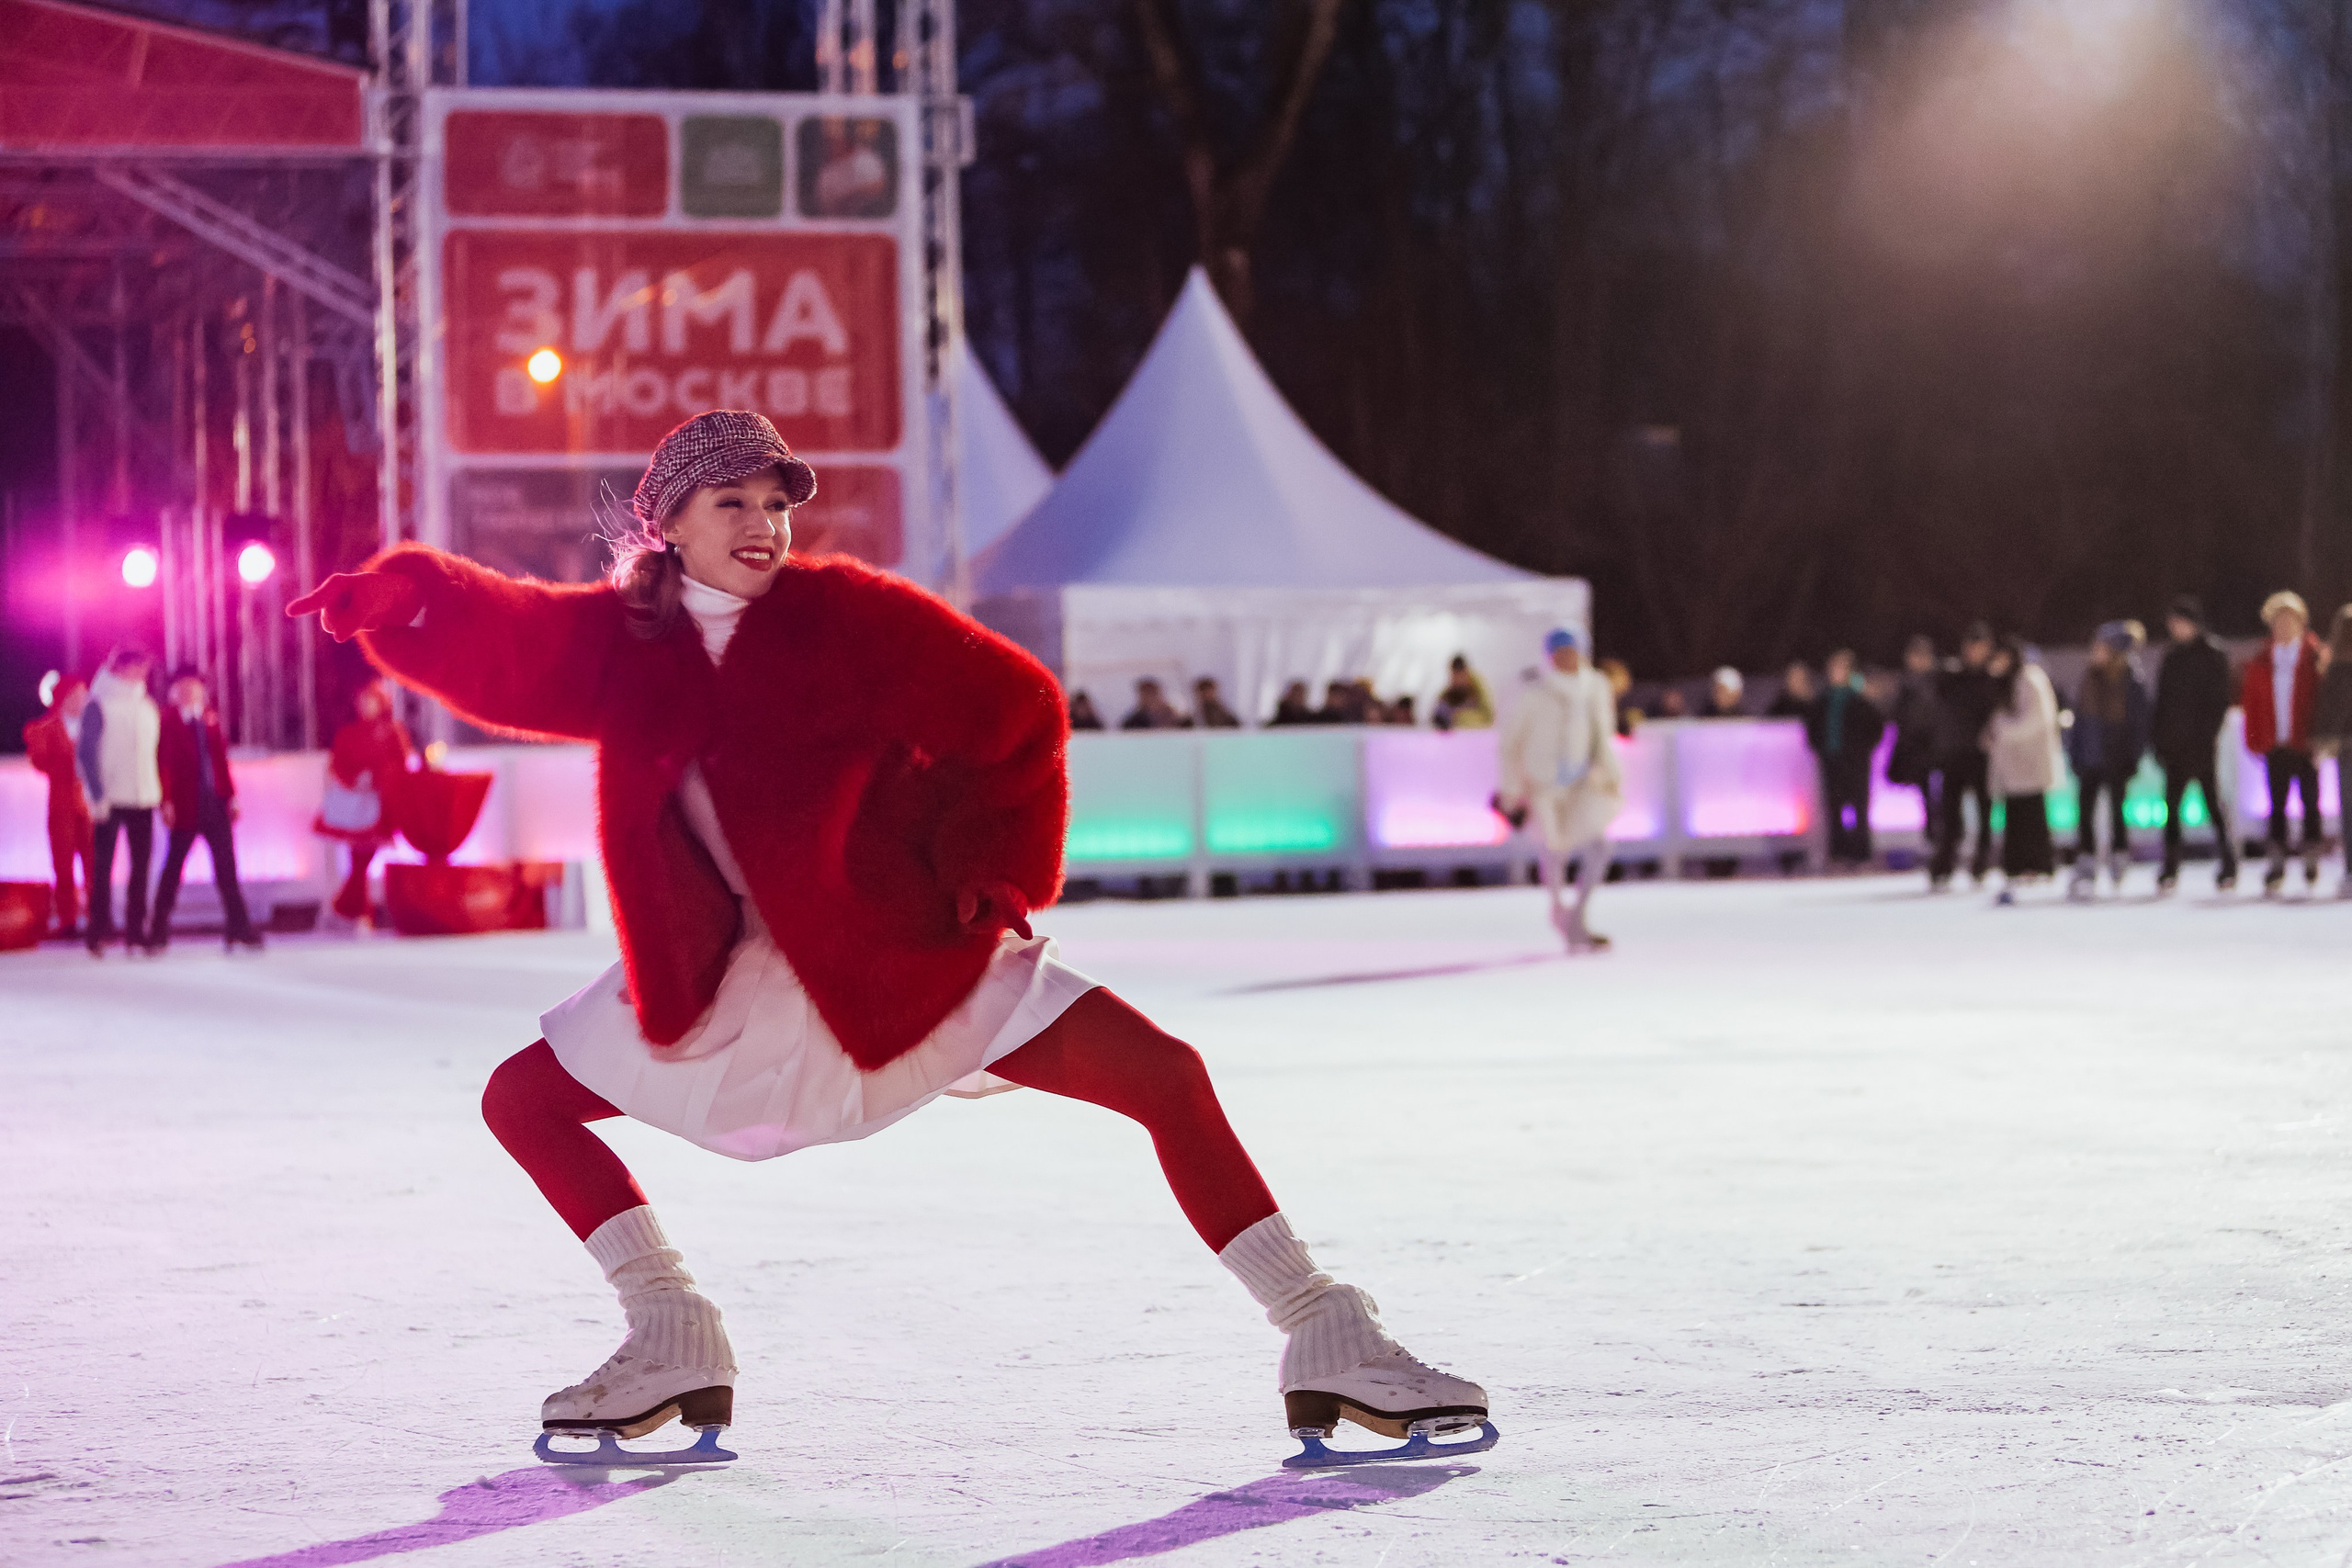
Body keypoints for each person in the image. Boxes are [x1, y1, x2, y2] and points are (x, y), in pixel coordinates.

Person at [286, 409, 1487, 1463]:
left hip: (889, 947)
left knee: (1163, 1074)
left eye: (776, 503)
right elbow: (509, 637)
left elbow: (1016, 710)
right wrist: (407, 598)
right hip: (730, 974)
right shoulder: (625, 644)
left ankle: (1327, 1331)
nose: (763, 525)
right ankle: (667, 1324)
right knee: (522, 1098)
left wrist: (989, 866)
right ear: (669, 525)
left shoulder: (844, 619)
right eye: (731, 502)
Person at [1497, 626, 1623, 953]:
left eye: (1571, 651)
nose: (1566, 658)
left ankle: (1577, 915)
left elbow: (1601, 733)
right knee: (1554, 849)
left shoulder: (1594, 686)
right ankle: (1559, 909)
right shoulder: (1532, 690)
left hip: (1584, 782)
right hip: (1543, 785)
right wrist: (1511, 790)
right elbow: (1511, 743)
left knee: (1599, 844)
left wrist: (1611, 774)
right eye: (1560, 652)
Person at [150, 668, 264, 953]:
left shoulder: (210, 719)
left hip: (215, 803)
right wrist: (166, 801)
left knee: (227, 870)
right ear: (174, 692)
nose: (189, 693)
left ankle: (238, 927)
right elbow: (163, 763)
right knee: (173, 869)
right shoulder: (167, 721)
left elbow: (221, 762)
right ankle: (158, 931)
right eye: (183, 688)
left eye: (194, 687)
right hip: (186, 804)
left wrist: (231, 797)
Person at [75, 645, 163, 957]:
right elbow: (86, 753)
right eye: (137, 668)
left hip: (143, 796)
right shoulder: (98, 704)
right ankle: (98, 930)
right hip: (110, 798)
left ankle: (136, 931)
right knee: (102, 868)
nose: (142, 674)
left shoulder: (146, 706)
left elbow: (153, 754)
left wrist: (157, 792)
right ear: (120, 668)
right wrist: (96, 794)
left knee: (141, 868)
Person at [2150, 595, 2238, 895]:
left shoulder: (2213, 655)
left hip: (2200, 745)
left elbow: (2218, 702)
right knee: (2172, 807)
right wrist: (2159, 741)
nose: (2176, 628)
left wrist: (2205, 736)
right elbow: (2162, 702)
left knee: (2212, 803)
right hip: (2174, 746)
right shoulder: (2172, 657)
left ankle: (2228, 861)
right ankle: (2170, 865)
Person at [2241, 590, 2324, 896]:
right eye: (2279, 621)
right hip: (2275, 743)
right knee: (2276, 805)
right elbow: (2252, 703)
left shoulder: (2315, 657)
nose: (2284, 626)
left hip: (2306, 742)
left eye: (2290, 620)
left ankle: (2311, 856)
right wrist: (2255, 740)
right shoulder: (2262, 661)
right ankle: (2276, 861)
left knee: (2310, 803)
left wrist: (2322, 738)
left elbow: (2322, 701)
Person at [317, 679, 415, 923]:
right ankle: (357, 910)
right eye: (363, 701)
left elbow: (400, 763)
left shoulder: (392, 732)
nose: (365, 706)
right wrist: (355, 780)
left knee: (363, 857)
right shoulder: (349, 733)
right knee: (359, 856)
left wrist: (378, 780)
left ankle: (351, 907)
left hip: (380, 802)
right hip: (356, 803)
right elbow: (339, 764)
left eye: (370, 701)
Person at [2064, 623, 2151, 899]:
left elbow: (2139, 724)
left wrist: (2133, 756)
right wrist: (2074, 753)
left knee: (2117, 810)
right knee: (2085, 811)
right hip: (2089, 757)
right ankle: (2086, 861)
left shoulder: (2130, 682)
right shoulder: (2089, 678)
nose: (2096, 652)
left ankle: (2118, 858)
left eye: (2101, 648)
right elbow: (2079, 721)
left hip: (2117, 757)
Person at [1984, 637, 2061, 904]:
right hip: (2012, 765)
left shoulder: (2030, 679)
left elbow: (2037, 719)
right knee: (2015, 816)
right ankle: (2016, 866)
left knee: (2033, 814)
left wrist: (2002, 731)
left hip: (2030, 761)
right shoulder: (2003, 682)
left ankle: (2039, 865)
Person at [1929, 624, 2002, 890]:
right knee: (1950, 813)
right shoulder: (1952, 677)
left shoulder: (1992, 679)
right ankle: (1944, 863)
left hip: (1982, 755)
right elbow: (1936, 693)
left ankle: (1981, 862)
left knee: (1984, 811)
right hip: (1954, 754)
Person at [23, 672, 95, 939]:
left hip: (89, 805)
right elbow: (40, 761)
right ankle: (68, 920)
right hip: (62, 804)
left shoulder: (93, 726)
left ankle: (97, 917)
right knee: (63, 865)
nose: (82, 700)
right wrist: (70, 765)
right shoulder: (46, 728)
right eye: (77, 695)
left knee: (94, 864)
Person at [1803, 649, 1886, 870]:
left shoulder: (1859, 700)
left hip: (1856, 762)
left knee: (1859, 806)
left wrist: (1863, 750)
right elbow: (1813, 728)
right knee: (1834, 807)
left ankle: (1860, 853)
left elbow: (1876, 727)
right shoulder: (1823, 701)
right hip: (1832, 761)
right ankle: (1838, 852)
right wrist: (1820, 748)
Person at [1884, 636, 1943, 840]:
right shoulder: (1904, 685)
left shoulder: (1939, 682)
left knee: (1941, 793)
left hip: (1937, 746)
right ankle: (1933, 835)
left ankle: (1943, 834)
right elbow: (1895, 713)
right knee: (1926, 793)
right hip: (1916, 748)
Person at [2313, 604, 2352, 897]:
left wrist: (2324, 742)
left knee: (2349, 810)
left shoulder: (2337, 668)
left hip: (2347, 747)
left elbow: (2333, 709)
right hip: (2347, 746)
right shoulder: (2337, 668)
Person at [1431, 655, 1494, 730]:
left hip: (1474, 731)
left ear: (1466, 673)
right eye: (1453, 676)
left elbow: (1488, 717)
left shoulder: (1478, 689)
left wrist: (1460, 717)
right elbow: (1437, 716)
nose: (1456, 680)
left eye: (1459, 676)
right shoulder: (1449, 692)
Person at [1119, 677, 1191, 731]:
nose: (1149, 697)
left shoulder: (1177, 716)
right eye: (1145, 694)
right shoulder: (1134, 721)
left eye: (1151, 692)